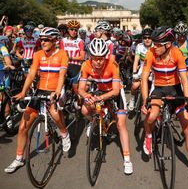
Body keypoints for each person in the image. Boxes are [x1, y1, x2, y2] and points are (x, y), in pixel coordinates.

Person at [141, 26, 188, 181]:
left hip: (175, 89)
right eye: (154, 44)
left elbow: (184, 79)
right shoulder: (150, 53)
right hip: (159, 88)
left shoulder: (177, 53)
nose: (154, 47)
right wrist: (145, 100)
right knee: (151, 116)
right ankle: (149, 134)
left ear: (168, 44)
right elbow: (144, 78)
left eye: (158, 44)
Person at [4, 27, 71, 173]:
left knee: (54, 112)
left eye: (47, 40)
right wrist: (23, 92)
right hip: (40, 90)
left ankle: (64, 133)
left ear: (54, 40)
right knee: (22, 127)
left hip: (56, 90)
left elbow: (61, 75)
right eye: (41, 39)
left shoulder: (62, 54)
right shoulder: (38, 54)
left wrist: (58, 92)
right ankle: (19, 159)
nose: (43, 42)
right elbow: (32, 74)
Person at [78, 38, 133, 175]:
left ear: (105, 57)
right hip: (100, 91)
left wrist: (100, 98)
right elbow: (80, 89)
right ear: (90, 57)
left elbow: (115, 91)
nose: (98, 62)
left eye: (101, 58)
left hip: (114, 92)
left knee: (121, 124)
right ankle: (93, 121)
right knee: (84, 109)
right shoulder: (85, 65)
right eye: (95, 58)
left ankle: (127, 159)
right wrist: (88, 97)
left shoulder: (113, 65)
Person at [128, 27, 153, 111]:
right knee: (135, 86)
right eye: (145, 38)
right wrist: (134, 72)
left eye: (149, 37)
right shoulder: (139, 46)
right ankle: (132, 99)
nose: (147, 40)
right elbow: (136, 61)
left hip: (153, 70)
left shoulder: (155, 46)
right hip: (142, 69)